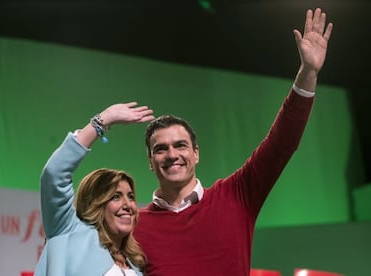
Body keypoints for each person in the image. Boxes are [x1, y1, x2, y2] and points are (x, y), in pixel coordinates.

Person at [131, 7, 334, 276]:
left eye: (180, 145)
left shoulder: (236, 196)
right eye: (160, 149)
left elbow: (282, 142)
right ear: (150, 162)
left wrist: (308, 72)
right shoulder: (133, 226)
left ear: (196, 153)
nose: (171, 154)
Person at [34, 103, 155, 276]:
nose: (127, 204)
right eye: (116, 197)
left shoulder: (136, 264)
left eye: (131, 196)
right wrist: (104, 119)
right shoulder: (68, 230)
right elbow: (54, 174)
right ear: (96, 203)